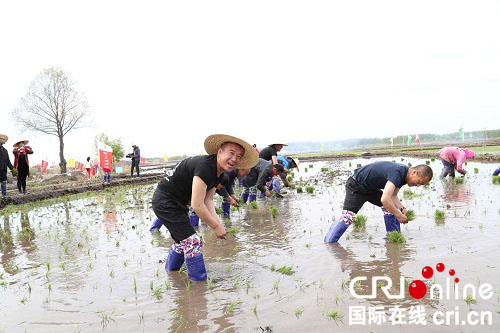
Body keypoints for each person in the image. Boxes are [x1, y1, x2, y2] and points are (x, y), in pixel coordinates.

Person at [152, 134, 258, 281]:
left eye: (239, 156)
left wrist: (218, 223)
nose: (234, 159)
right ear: (220, 152)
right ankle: (199, 285)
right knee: (193, 241)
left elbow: (208, 200)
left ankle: (172, 273)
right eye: (231, 153)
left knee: (184, 241)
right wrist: (215, 226)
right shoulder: (205, 167)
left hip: (178, 203)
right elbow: (197, 204)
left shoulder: (218, 174)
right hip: (165, 201)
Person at [324, 161, 433, 243]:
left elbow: (393, 195)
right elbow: (385, 199)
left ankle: (394, 238)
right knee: (347, 217)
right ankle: (329, 243)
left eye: (421, 185)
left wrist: (402, 208)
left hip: (370, 189)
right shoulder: (398, 172)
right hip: (356, 186)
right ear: (414, 172)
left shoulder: (404, 176)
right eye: (420, 182)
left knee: (390, 209)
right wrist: (399, 216)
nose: (418, 185)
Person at [0, 134, 15, 198]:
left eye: (4, 139)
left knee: (3, 182)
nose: (4, 141)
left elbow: (8, 162)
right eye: (2, 139)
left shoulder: (5, 150)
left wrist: (13, 169)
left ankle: (4, 195)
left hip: (3, 169)